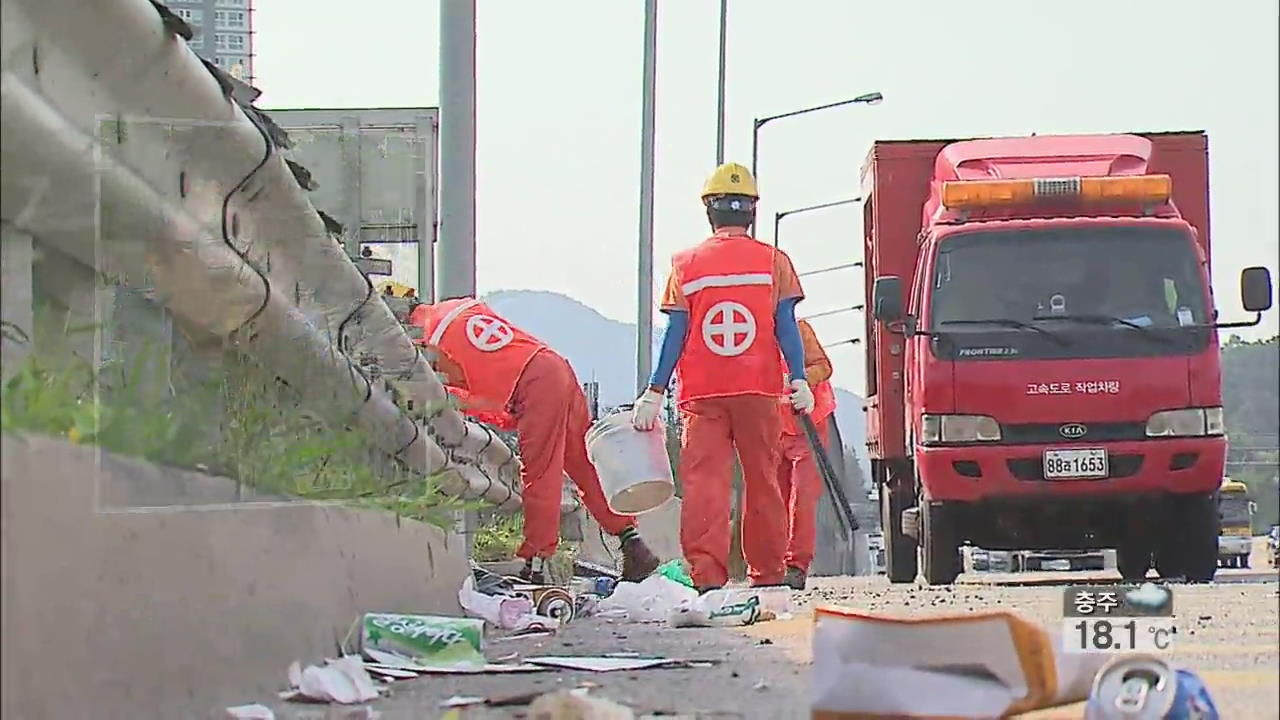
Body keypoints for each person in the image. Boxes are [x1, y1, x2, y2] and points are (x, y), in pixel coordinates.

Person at [630, 162, 814, 592]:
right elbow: (785, 324)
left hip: (703, 392)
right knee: (764, 483)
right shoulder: (774, 261)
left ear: (709, 211)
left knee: (705, 485)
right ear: (751, 211)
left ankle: (707, 576)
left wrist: (655, 391)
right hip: (760, 389)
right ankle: (767, 575)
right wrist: (799, 378)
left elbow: (676, 331)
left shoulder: (686, 264)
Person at [409, 298, 660, 584]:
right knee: (584, 464)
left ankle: (538, 558)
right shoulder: (459, 308)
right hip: (553, 365)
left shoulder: (426, 342)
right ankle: (632, 541)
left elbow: (466, 392)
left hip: (534, 385)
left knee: (541, 471)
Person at [775, 319, 837, 591]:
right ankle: (771, 563)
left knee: (802, 498)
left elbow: (823, 366)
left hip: (809, 423)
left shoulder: (799, 329)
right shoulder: (749, 335)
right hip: (773, 426)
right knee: (772, 498)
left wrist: (800, 381)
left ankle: (796, 566)